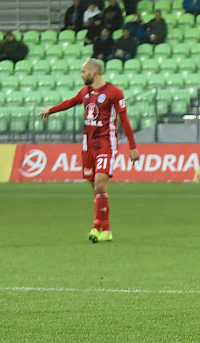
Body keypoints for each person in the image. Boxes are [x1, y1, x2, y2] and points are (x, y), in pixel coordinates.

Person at [39, 59, 139, 243]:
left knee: (101, 184)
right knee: (97, 189)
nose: (81, 74)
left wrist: (133, 147)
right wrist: (50, 111)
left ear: (94, 72)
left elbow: (124, 120)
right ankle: (106, 229)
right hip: (87, 146)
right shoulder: (85, 92)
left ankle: (95, 226)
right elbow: (70, 102)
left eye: (83, 71)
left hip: (106, 145)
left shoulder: (114, 92)